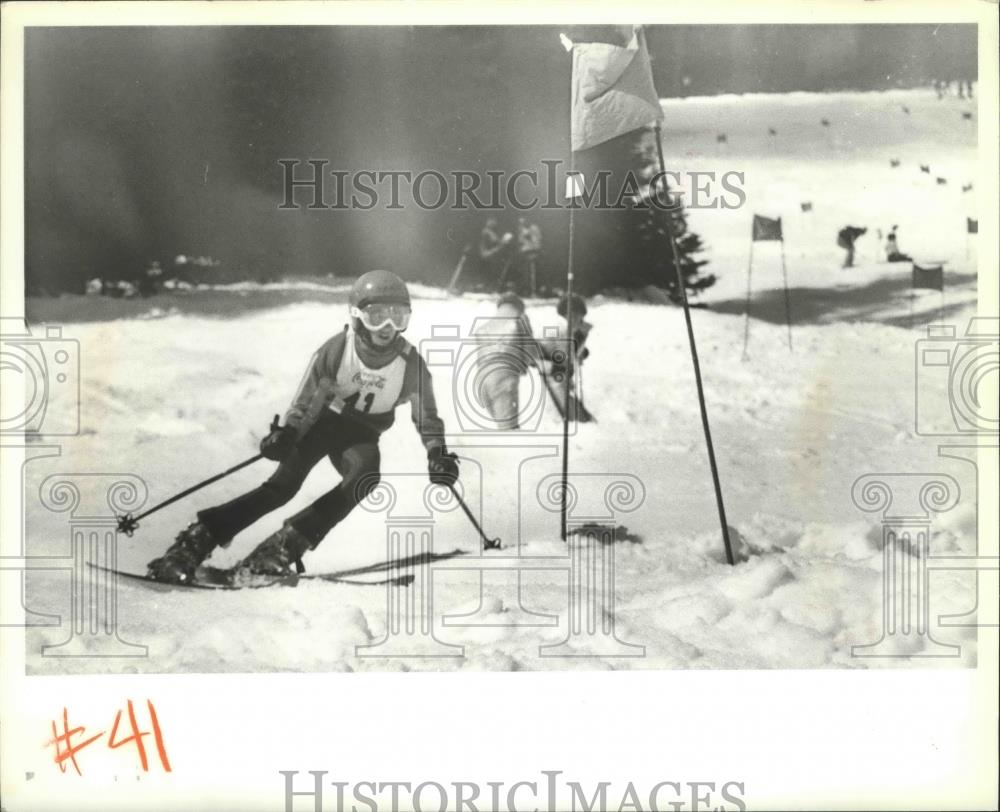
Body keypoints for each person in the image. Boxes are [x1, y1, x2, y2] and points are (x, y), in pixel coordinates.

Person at [146, 270, 459, 583]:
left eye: (397, 316)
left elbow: (427, 415)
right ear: (358, 316)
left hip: (360, 435)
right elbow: (307, 400)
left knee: (365, 476)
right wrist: (287, 433)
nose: (387, 327)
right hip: (321, 425)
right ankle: (191, 545)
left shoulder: (410, 364)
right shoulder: (337, 351)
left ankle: (282, 548)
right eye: (377, 315)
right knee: (281, 489)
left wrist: (437, 453)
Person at [470, 292, 538, 430]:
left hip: (481, 379)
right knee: (509, 431)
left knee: (501, 427)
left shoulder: (485, 326)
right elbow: (531, 352)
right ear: (519, 307)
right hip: (504, 378)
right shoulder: (519, 319)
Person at [537, 293, 594, 422]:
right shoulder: (562, 329)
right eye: (576, 315)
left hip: (555, 373)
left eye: (580, 316)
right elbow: (564, 357)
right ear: (568, 314)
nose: (579, 320)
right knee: (572, 417)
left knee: (577, 415)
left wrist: (580, 348)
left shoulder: (567, 328)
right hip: (551, 376)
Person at [478, 217, 514, 291]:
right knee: (493, 270)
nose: (495, 223)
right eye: (492, 221)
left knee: (495, 270)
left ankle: (493, 287)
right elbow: (494, 241)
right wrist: (504, 240)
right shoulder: (486, 231)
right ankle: (490, 287)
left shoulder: (492, 232)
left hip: (492, 253)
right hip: (487, 254)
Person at [515, 217, 543, 296]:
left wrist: (528, 235)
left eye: (523, 221)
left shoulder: (534, 228)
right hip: (524, 252)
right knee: (524, 273)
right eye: (520, 222)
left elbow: (537, 241)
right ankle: (525, 290)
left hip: (533, 251)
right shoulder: (521, 228)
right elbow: (520, 241)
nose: (522, 223)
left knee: (533, 273)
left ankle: (534, 291)